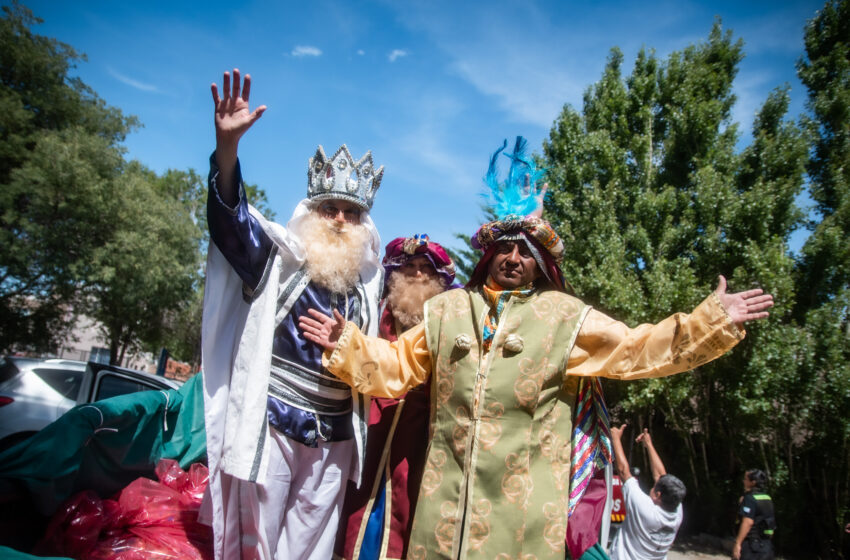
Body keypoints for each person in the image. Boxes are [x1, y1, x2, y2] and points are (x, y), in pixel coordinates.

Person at [299, 137, 774, 559]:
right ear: (489, 254)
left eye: (527, 250)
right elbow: (397, 364)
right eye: (505, 246)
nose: (513, 257)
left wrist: (710, 319)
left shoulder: (565, 318)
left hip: (521, 526)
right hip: (440, 526)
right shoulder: (447, 311)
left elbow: (637, 349)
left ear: (540, 261)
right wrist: (348, 344)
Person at [200, 69, 385, 560]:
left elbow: (380, 362)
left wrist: (349, 340)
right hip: (275, 421)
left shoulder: (370, 288)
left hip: (335, 433)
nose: (342, 220)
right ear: (311, 211)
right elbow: (232, 224)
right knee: (257, 541)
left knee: (311, 546)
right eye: (331, 209)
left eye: (352, 212)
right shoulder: (277, 260)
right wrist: (227, 151)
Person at [335, 234, 456, 560]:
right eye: (411, 267)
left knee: (406, 507)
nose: (417, 275)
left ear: (438, 279)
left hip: (419, 436)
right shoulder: (376, 312)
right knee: (354, 502)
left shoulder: (445, 323)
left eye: (425, 270)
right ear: (396, 275)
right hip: (370, 423)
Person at [608, 426, 685, 559]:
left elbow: (623, 472)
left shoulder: (644, 509)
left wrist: (615, 439)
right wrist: (648, 444)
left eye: (656, 487)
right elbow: (661, 475)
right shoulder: (677, 511)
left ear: (658, 495)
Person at [733, 469, 776, 560]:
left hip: (751, 547)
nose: (743, 481)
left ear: (753, 482)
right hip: (766, 546)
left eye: (745, 479)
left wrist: (738, 543)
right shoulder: (767, 498)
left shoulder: (749, 499)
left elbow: (748, 522)